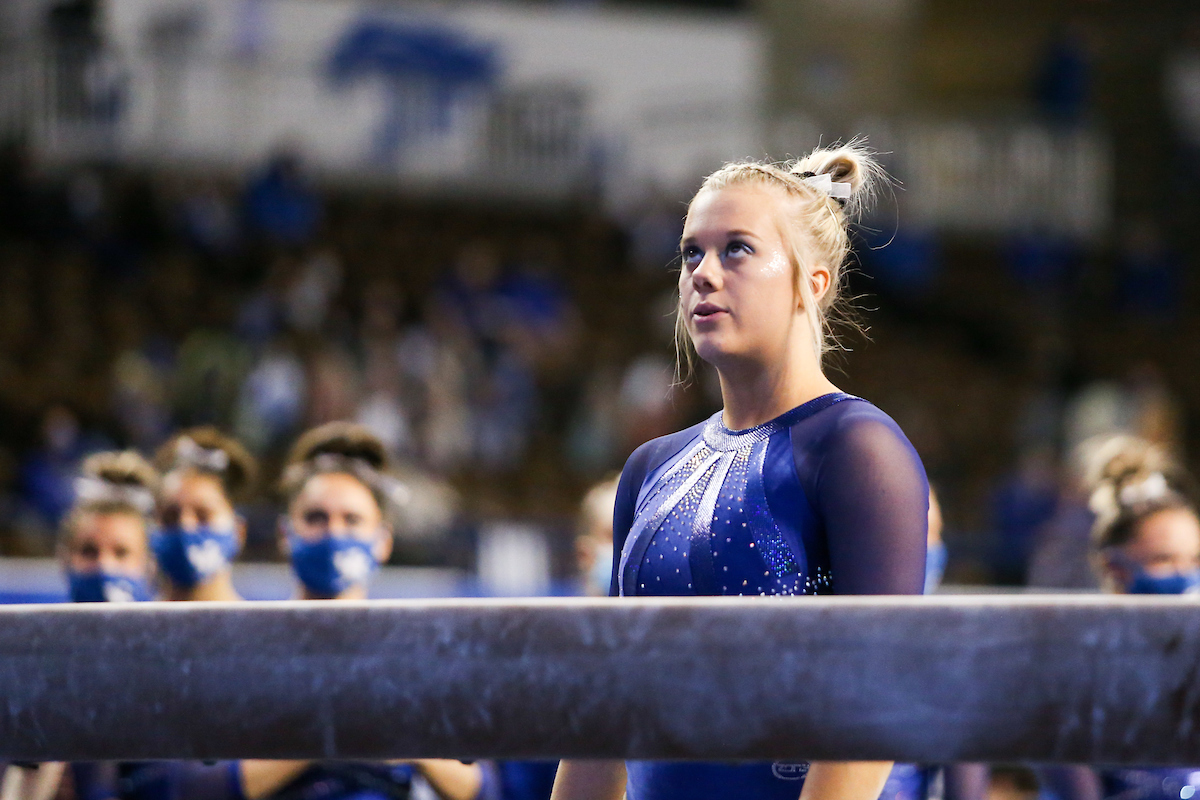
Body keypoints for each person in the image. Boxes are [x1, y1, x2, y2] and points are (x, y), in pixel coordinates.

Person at [552, 143, 929, 800]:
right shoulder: (650, 469)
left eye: (737, 249)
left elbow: (874, 703)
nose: (703, 272)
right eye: (691, 252)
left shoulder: (855, 448)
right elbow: (604, 713)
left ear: (813, 283)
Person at [246, 420, 488, 800]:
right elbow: (191, 786)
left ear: (383, 541)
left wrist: (406, 741)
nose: (334, 534)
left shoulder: (416, 654)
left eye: (352, 519)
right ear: (284, 534)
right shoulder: (245, 648)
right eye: (315, 518)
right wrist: (332, 730)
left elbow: (482, 788)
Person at [1, 451, 159, 800]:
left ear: (148, 566)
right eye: (89, 551)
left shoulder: (172, 665)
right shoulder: (33, 668)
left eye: (121, 553)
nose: (104, 566)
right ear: (64, 560)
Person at [152, 428, 258, 602]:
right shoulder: (127, 627)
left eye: (203, 516)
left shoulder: (263, 627)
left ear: (239, 531)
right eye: (171, 517)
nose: (186, 527)